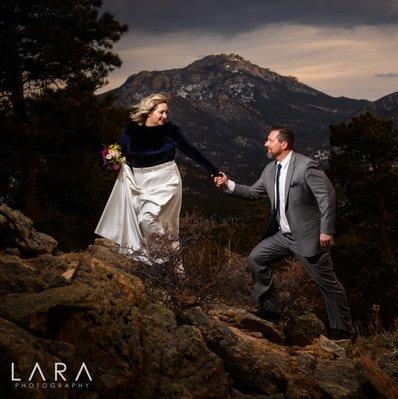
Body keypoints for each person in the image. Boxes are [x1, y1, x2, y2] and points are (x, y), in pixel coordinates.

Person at [214, 127, 354, 339]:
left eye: (270, 140)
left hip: (309, 237)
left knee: (328, 285)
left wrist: (325, 230)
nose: (265, 144)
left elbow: (328, 197)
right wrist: (228, 185)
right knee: (256, 259)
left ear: (284, 144)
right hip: (282, 236)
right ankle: (270, 310)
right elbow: (253, 193)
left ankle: (343, 331)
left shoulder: (306, 167)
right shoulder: (270, 170)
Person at [95, 93, 220, 264]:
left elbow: (191, 152)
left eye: (167, 112)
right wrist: (111, 157)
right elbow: (118, 150)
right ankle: (167, 260)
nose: (165, 116)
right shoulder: (131, 130)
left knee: (147, 219)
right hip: (140, 184)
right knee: (148, 224)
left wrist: (214, 171)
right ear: (149, 112)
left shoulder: (170, 131)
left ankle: (167, 258)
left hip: (166, 181)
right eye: (161, 112)